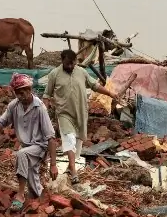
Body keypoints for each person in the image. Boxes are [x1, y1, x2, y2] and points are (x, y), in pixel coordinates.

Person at [43, 49, 124, 184]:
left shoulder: (81, 72)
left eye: (72, 64)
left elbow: (95, 86)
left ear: (75, 62)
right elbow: (46, 95)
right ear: (62, 61)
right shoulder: (54, 74)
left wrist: (110, 94)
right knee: (68, 138)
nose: (70, 66)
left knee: (78, 142)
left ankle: (70, 167)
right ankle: (74, 172)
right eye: (67, 64)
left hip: (80, 113)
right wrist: (43, 112)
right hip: (64, 114)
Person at [0, 73, 57, 210]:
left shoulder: (40, 108)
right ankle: (38, 201)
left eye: (22, 92)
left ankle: (20, 194)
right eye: (17, 93)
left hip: (40, 146)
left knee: (21, 154)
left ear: (29, 90)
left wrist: (53, 164)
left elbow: (51, 138)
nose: (20, 96)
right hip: (26, 146)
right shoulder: (14, 106)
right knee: (34, 187)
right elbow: (1, 122)